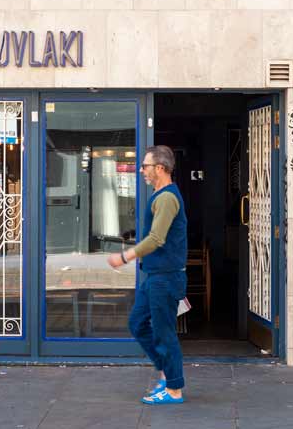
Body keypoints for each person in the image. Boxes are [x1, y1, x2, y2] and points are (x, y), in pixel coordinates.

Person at [107, 145, 187, 405]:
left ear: (160, 168)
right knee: (137, 323)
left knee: (165, 333)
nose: (141, 170)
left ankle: (174, 389)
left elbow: (156, 238)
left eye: (145, 166)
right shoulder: (159, 195)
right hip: (155, 275)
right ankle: (166, 373)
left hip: (166, 277)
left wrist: (124, 257)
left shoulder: (166, 198)